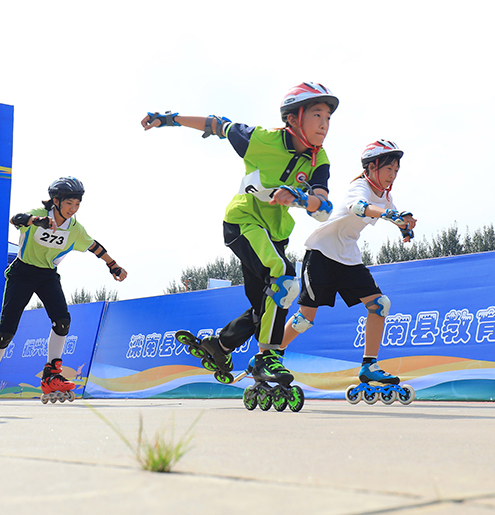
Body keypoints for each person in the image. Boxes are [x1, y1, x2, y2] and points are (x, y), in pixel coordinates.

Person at [140, 82, 337, 412]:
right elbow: (217, 124)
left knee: (266, 306)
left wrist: (301, 196)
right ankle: (268, 358)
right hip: (243, 222)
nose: (324, 124)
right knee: (285, 277)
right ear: (294, 118)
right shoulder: (260, 140)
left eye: (328, 117)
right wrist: (169, 119)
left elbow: (325, 207)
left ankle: (219, 346)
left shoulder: (319, 159)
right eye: (317, 114)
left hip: (274, 235)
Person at [277, 140, 419, 404]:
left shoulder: (385, 194)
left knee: (380, 304)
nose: (393, 175)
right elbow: (360, 207)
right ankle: (272, 355)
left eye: (397, 171)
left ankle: (369, 365)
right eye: (389, 168)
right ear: (372, 167)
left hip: (348, 257)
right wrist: (391, 215)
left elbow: (392, 213)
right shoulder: (360, 186)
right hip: (321, 253)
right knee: (306, 318)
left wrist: (404, 225)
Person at [0, 177, 126, 404]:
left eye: (77, 205)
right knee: (6, 330)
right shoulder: (39, 214)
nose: (73, 209)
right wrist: (36, 221)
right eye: (69, 204)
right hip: (22, 273)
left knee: (62, 320)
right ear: (56, 201)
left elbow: (94, 246)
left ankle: (52, 373)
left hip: (47, 275)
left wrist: (113, 264)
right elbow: (15, 219)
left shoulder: (74, 229)